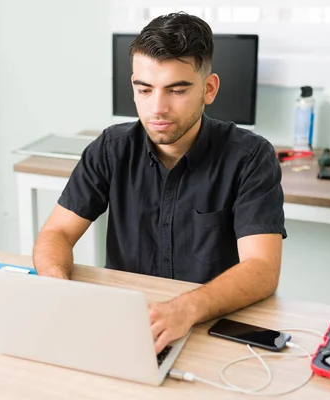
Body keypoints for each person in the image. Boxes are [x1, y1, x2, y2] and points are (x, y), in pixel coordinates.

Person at [33, 12, 287, 354]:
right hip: (126, 325)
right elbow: (56, 233)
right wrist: (56, 285)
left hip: (210, 326)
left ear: (208, 89)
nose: (157, 108)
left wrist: (185, 308)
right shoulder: (111, 148)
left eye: (177, 90)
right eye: (145, 90)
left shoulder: (250, 157)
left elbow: (261, 269)